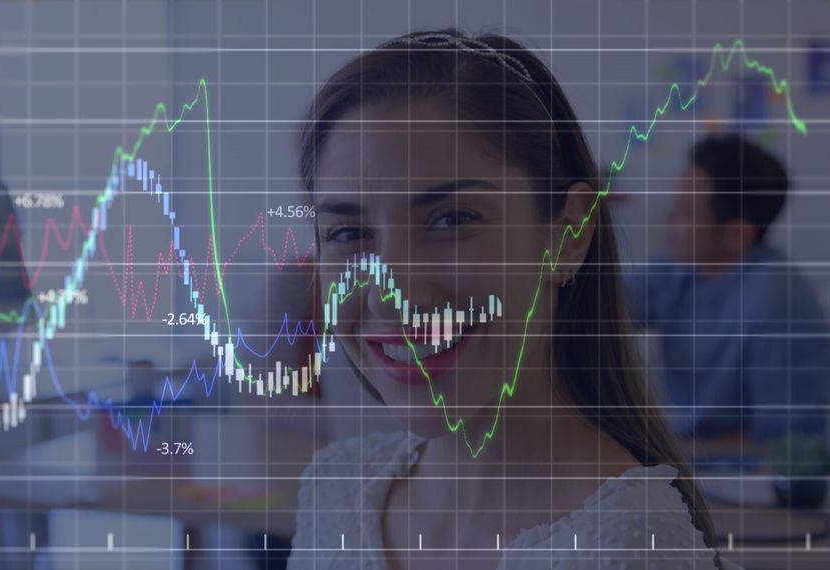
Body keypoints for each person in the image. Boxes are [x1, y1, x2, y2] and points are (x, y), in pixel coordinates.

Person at [286, 30, 718, 569]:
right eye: (348, 233)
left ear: (567, 234)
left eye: (453, 219)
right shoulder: (335, 494)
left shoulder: (629, 549)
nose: (392, 297)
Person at [624, 133, 830, 451]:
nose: (668, 220)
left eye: (686, 213)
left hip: (749, 485)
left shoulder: (780, 307)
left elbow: (784, 445)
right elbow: (591, 310)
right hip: (686, 460)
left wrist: (666, 454)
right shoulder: (678, 269)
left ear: (737, 235)